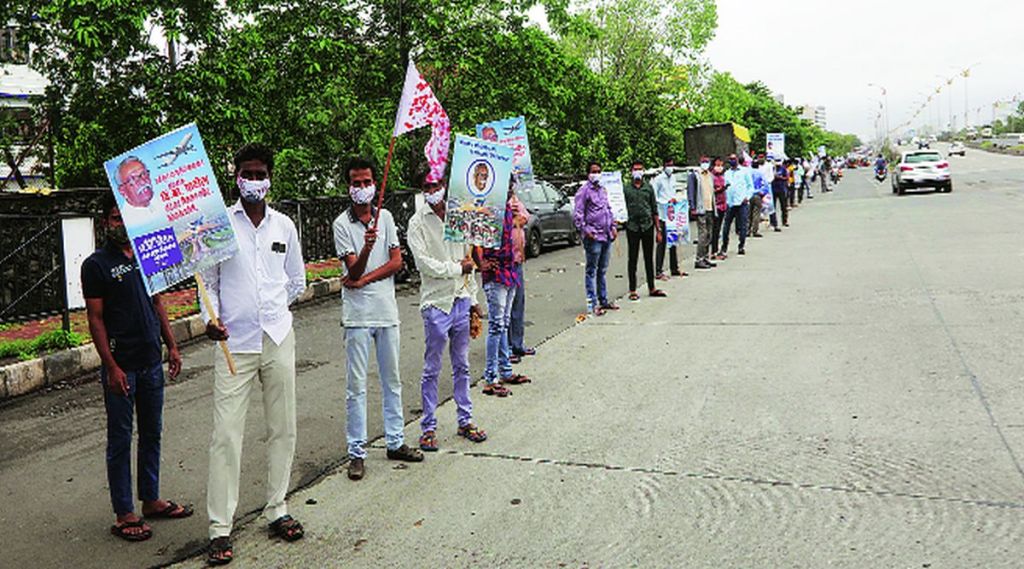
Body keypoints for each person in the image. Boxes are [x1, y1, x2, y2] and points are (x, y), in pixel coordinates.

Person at [201, 144, 306, 565]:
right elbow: (207, 281)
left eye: (261, 173)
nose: (254, 180)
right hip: (233, 346)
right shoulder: (219, 225)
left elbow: (295, 281)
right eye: (247, 173)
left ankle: (277, 507)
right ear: (237, 178)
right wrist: (211, 319)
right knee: (226, 435)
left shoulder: (284, 226)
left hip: (278, 339)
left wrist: (273, 313)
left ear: (270, 178)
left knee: (282, 426)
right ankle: (219, 528)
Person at [82, 196, 190, 544]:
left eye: (126, 218)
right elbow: (95, 319)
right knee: (120, 439)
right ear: (104, 222)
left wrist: (171, 345)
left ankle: (151, 499)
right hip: (121, 367)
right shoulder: (95, 265)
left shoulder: (148, 254)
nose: (121, 225)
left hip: (150, 361)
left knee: (152, 433)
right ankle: (124, 512)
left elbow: (158, 301)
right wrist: (110, 366)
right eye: (115, 219)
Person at [333, 156, 424, 482]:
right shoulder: (341, 224)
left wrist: (363, 279)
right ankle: (356, 453)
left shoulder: (384, 217)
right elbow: (352, 267)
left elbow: (397, 262)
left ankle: (396, 440)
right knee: (356, 387)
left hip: (386, 311)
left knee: (392, 380)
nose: (362, 188)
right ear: (349, 186)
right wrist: (368, 251)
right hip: (357, 317)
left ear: (374, 184)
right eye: (356, 183)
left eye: (367, 182)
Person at [406, 170, 488, 451]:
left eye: (437, 184)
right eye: (427, 186)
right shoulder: (416, 224)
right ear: (422, 189)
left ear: (444, 185)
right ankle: (428, 427)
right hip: (436, 304)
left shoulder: (459, 216)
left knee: (462, 365)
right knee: (432, 368)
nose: (433, 189)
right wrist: (456, 269)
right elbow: (425, 264)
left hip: (461, 298)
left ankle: (465, 420)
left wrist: (474, 297)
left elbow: (469, 261)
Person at [477, 188, 530, 396]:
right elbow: (476, 241)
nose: (508, 190)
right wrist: (481, 262)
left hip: (510, 271)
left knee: (504, 323)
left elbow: (522, 223)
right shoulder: (487, 211)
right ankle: (491, 377)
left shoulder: (509, 210)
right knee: (496, 325)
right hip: (496, 273)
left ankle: (505, 370)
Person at [573, 161, 618, 315]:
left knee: (602, 270)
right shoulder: (584, 191)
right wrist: (586, 230)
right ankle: (592, 303)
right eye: (594, 171)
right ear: (588, 174)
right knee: (591, 270)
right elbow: (578, 214)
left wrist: (613, 227)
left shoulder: (602, 190)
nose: (596, 174)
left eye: (599, 171)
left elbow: (608, 209)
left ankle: (603, 300)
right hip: (593, 236)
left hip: (606, 235)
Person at [624, 160, 667, 300]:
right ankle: (632, 290)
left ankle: (652, 287)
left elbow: (654, 209)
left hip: (647, 226)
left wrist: (658, 230)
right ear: (631, 171)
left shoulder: (648, 188)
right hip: (632, 227)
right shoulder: (626, 189)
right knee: (633, 258)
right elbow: (620, 208)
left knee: (649, 257)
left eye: (640, 169)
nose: (638, 171)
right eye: (635, 169)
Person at [507, 181, 535, 364]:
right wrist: (512, 218)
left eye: (511, 184)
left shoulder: (516, 200)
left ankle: (517, 344)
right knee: (504, 308)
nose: (510, 188)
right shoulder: (493, 203)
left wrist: (519, 214)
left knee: (518, 304)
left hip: (517, 260)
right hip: (503, 263)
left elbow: (526, 218)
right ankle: (507, 348)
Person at [652, 158, 681, 279]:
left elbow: (674, 192)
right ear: (664, 166)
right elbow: (654, 197)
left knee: (673, 240)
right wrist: (665, 201)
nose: (670, 167)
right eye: (668, 165)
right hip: (662, 214)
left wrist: (674, 199)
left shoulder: (673, 178)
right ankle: (658, 270)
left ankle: (674, 268)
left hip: (672, 215)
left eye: (672, 165)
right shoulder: (658, 180)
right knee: (662, 243)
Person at [687, 156, 717, 270]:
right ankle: (699, 259)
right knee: (702, 234)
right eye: (703, 162)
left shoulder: (710, 175)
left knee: (709, 234)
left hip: (710, 208)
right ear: (699, 162)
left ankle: (705, 257)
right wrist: (692, 207)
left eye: (707, 162)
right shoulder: (694, 175)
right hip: (701, 209)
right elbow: (691, 192)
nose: (705, 164)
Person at [720, 154, 750, 257]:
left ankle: (741, 245)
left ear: (737, 160)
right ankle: (724, 246)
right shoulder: (727, 173)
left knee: (743, 225)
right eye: (730, 159)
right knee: (726, 226)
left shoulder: (744, 172)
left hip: (742, 202)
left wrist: (747, 197)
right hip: (730, 203)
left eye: (734, 159)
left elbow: (750, 186)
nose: (732, 161)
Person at [710, 158, 728, 260]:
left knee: (718, 229)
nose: (719, 166)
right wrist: (719, 190)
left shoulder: (722, 176)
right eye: (717, 164)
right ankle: (713, 251)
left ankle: (715, 250)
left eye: (721, 164)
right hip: (714, 206)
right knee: (714, 229)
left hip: (722, 205)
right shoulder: (711, 176)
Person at [747, 156, 765, 238]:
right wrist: (763, 193)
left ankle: (747, 230)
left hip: (748, 195)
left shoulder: (748, 172)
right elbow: (765, 185)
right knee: (756, 213)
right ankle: (755, 230)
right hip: (757, 194)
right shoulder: (760, 173)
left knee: (748, 213)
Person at [770, 158, 790, 231]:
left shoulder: (783, 169)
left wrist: (781, 177)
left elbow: (787, 177)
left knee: (783, 206)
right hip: (773, 189)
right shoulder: (772, 169)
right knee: (772, 207)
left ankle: (784, 220)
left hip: (781, 189)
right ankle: (773, 222)